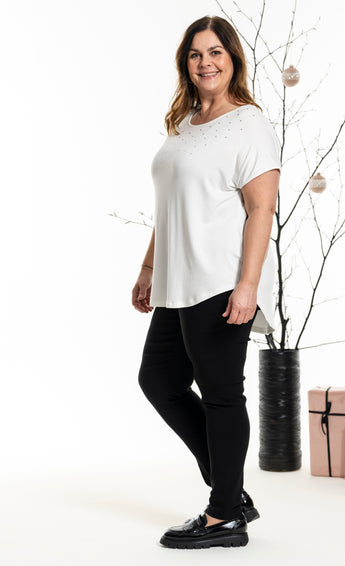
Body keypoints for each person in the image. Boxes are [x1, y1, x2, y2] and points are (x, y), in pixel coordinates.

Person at [132, 15, 281, 549]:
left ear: (232, 58)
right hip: (177, 280)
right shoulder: (185, 123)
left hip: (219, 280)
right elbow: (171, 205)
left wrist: (248, 286)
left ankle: (224, 517)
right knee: (159, 381)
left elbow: (261, 209)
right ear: (186, 64)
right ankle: (230, 493)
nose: (206, 62)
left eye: (215, 52)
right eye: (196, 54)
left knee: (220, 395)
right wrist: (150, 267)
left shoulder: (249, 125)